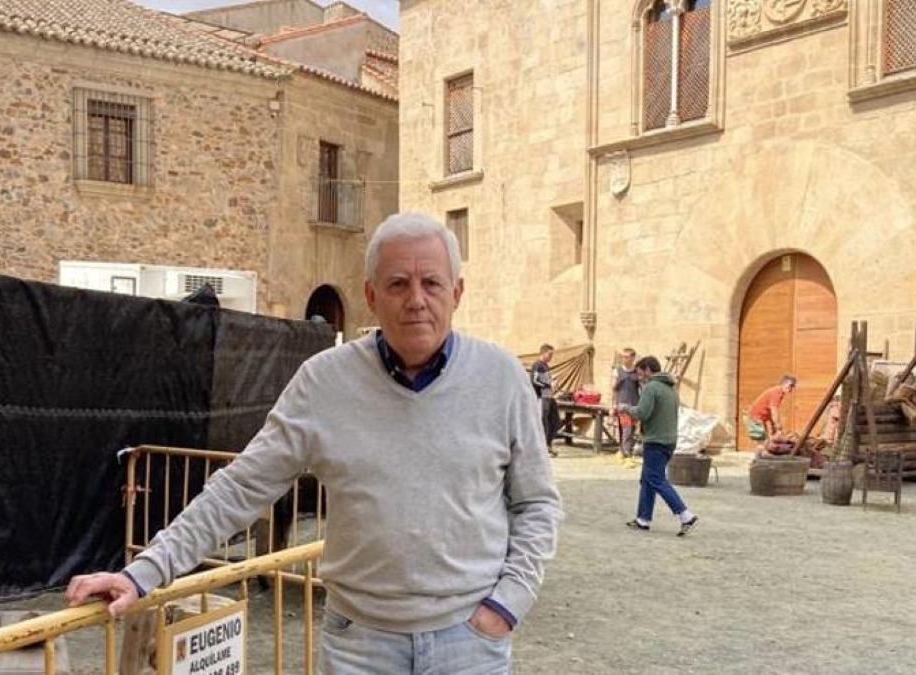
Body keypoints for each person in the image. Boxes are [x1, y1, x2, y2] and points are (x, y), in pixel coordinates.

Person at [65, 212, 563, 674]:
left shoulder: (500, 379)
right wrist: (143, 573)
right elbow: (241, 486)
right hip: (360, 647)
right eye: (398, 284)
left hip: (469, 645)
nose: (416, 299)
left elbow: (536, 503)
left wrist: (507, 605)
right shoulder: (324, 383)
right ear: (370, 295)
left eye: (431, 283)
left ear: (456, 292)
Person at [618, 356, 699, 536]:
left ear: (647, 370)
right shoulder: (671, 389)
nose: (640, 378)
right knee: (647, 479)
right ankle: (643, 519)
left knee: (656, 479)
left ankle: (686, 515)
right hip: (669, 441)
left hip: (655, 440)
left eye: (640, 374)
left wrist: (625, 408)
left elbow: (642, 413)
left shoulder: (651, 387)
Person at [749, 375, 798, 443]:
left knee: (771, 438)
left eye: (793, 386)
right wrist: (778, 425)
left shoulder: (779, 392)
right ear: (784, 383)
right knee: (762, 442)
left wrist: (773, 425)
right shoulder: (777, 392)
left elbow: (769, 410)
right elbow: (774, 410)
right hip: (756, 417)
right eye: (790, 385)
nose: (791, 388)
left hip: (763, 417)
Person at [610, 348, 640, 459]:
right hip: (622, 404)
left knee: (631, 428)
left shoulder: (637, 371)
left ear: (632, 358)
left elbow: (642, 386)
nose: (624, 359)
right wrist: (613, 405)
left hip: (634, 404)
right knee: (626, 427)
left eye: (627, 357)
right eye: (623, 356)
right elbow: (613, 389)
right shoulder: (617, 371)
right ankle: (626, 452)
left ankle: (624, 449)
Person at [531, 343, 559, 457]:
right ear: (543, 353)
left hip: (549, 396)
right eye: (550, 354)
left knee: (555, 420)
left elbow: (547, 381)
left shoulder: (546, 366)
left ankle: (548, 444)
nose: (551, 357)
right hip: (541, 397)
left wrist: (554, 385)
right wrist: (549, 383)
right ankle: (542, 447)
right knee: (543, 422)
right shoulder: (537, 365)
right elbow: (535, 380)